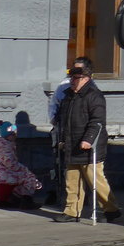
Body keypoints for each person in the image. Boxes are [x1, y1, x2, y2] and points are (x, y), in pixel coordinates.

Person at [53, 57, 121, 223]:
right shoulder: (68, 96)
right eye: (71, 78)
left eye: (75, 78)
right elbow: (63, 120)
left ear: (86, 78)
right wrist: (61, 140)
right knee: (72, 179)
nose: (72, 81)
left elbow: (97, 122)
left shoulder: (94, 96)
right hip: (71, 144)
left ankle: (111, 209)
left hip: (88, 147)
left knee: (95, 180)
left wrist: (88, 140)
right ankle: (71, 211)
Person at [0, 122, 42, 208]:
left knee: (25, 174)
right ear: (9, 135)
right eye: (13, 134)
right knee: (30, 177)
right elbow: (11, 164)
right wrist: (24, 169)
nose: (15, 136)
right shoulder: (5, 146)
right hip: (0, 175)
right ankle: (24, 200)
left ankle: (17, 197)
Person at [45, 64, 72, 205]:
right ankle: (57, 192)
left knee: (69, 164)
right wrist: (55, 122)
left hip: (73, 131)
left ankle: (71, 194)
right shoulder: (64, 86)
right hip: (61, 129)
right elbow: (54, 106)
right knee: (58, 163)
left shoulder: (89, 87)